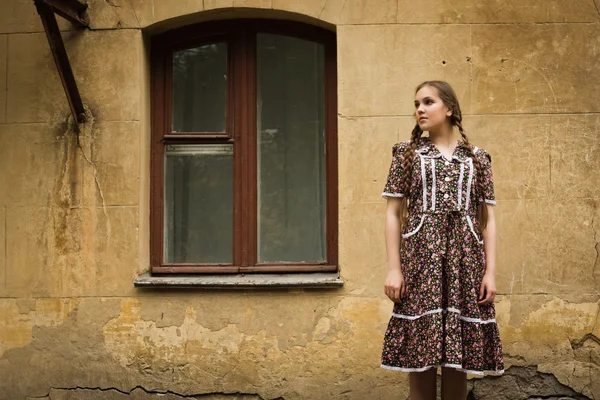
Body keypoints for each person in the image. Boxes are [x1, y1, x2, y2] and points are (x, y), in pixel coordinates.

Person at [380, 81, 505, 400]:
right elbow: (393, 214)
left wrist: (490, 273)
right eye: (416, 103)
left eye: (428, 102)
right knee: (420, 358)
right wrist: (394, 269)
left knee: (457, 360)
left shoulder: (477, 158)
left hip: (465, 267)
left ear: (449, 109)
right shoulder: (406, 154)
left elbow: (488, 220)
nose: (419, 109)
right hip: (422, 267)